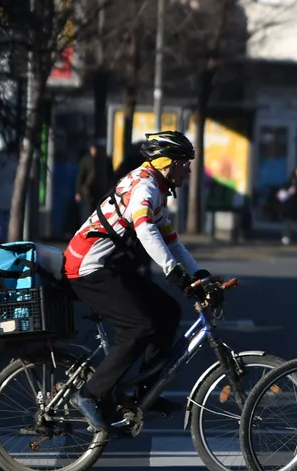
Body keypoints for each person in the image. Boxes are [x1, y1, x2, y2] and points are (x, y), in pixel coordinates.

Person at [63, 131, 211, 430]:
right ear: (168, 163)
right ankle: (89, 394)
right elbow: (146, 231)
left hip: (110, 265)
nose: (190, 169)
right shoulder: (144, 188)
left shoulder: (155, 186)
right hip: (88, 267)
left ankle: (146, 393)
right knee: (140, 324)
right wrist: (174, 272)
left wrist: (198, 273)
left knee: (168, 312)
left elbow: (172, 241)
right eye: (186, 163)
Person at [75, 139, 114, 214]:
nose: (94, 151)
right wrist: (78, 192)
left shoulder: (104, 160)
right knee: (87, 211)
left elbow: (110, 175)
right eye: (93, 149)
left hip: (100, 190)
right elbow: (81, 176)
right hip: (88, 191)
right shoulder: (86, 160)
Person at [0, 147, 18, 243]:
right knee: (7, 218)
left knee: (2, 218)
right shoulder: (13, 163)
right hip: (10, 194)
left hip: (1, 194)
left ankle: (1, 236)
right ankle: (5, 237)